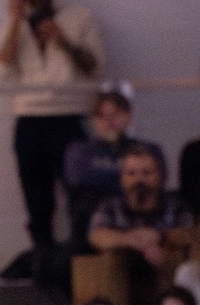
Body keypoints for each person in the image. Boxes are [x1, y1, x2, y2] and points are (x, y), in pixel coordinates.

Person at [0, 0, 103, 276]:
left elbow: (95, 67)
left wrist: (62, 39)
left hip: (67, 115)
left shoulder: (79, 16)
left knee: (79, 192)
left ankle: (78, 260)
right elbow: (2, 70)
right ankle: (43, 262)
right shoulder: (14, 23)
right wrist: (15, 23)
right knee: (36, 196)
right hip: (29, 117)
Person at [88, 143, 194, 305]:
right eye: (131, 173)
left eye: (146, 173)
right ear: (122, 178)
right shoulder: (110, 206)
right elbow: (97, 236)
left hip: (166, 270)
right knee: (113, 257)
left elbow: (188, 234)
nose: (138, 180)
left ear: (160, 176)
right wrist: (133, 240)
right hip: (125, 277)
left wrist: (160, 237)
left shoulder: (176, 206)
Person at [64, 91, 167, 255]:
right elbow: (79, 183)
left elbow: (157, 181)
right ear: (93, 120)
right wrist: (127, 181)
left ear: (128, 115)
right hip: (98, 217)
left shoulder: (149, 149)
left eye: (115, 114)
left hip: (141, 211)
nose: (109, 121)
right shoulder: (80, 151)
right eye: (101, 116)